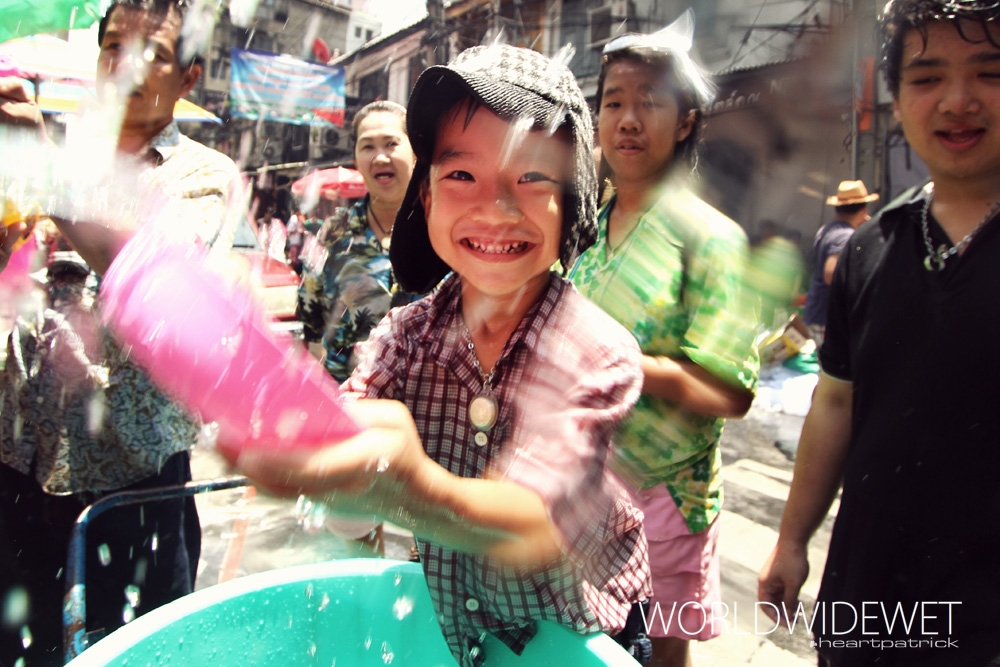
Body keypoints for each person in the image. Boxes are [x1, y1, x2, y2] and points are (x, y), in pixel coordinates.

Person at [223, 44, 651, 667]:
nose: (496, 207)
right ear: (426, 200)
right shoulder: (404, 337)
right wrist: (316, 456)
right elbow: (343, 442)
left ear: (574, 203)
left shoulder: (596, 354)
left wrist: (411, 488)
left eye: (532, 177)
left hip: (582, 636)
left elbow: (532, 522)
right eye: (461, 174)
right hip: (459, 629)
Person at [758, 2, 1000, 665]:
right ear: (894, 97)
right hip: (865, 608)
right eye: (926, 77)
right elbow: (835, 401)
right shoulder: (871, 247)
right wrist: (792, 538)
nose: (958, 100)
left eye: (990, 71)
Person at [0, 1, 241, 664]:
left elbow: (150, 275)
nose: (125, 65)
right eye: (113, 45)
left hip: (132, 492)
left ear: (189, 77)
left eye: (153, 53)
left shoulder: (204, 176)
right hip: (20, 469)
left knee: (136, 654)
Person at [569, 11, 758, 667]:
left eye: (649, 103)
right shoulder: (583, 234)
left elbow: (731, 390)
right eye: (613, 101)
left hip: (666, 504)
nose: (627, 119)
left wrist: (628, 365)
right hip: (582, 493)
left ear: (684, 123)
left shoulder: (711, 238)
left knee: (655, 657)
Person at [297, 101, 418, 383]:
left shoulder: (444, 230)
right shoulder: (331, 234)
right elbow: (311, 323)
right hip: (348, 403)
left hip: (428, 408)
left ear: (415, 154)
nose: (380, 157)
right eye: (367, 146)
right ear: (355, 158)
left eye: (391, 143)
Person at [801, 180, 877, 345]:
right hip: (827, 317)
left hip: (818, 313)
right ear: (863, 209)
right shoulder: (845, 235)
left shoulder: (828, 229)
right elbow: (831, 274)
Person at [286, 206, 304, 270]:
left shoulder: (298, 219)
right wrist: (297, 230)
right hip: (294, 242)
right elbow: (290, 231)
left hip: (297, 242)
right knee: (293, 260)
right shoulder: (294, 218)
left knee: (295, 259)